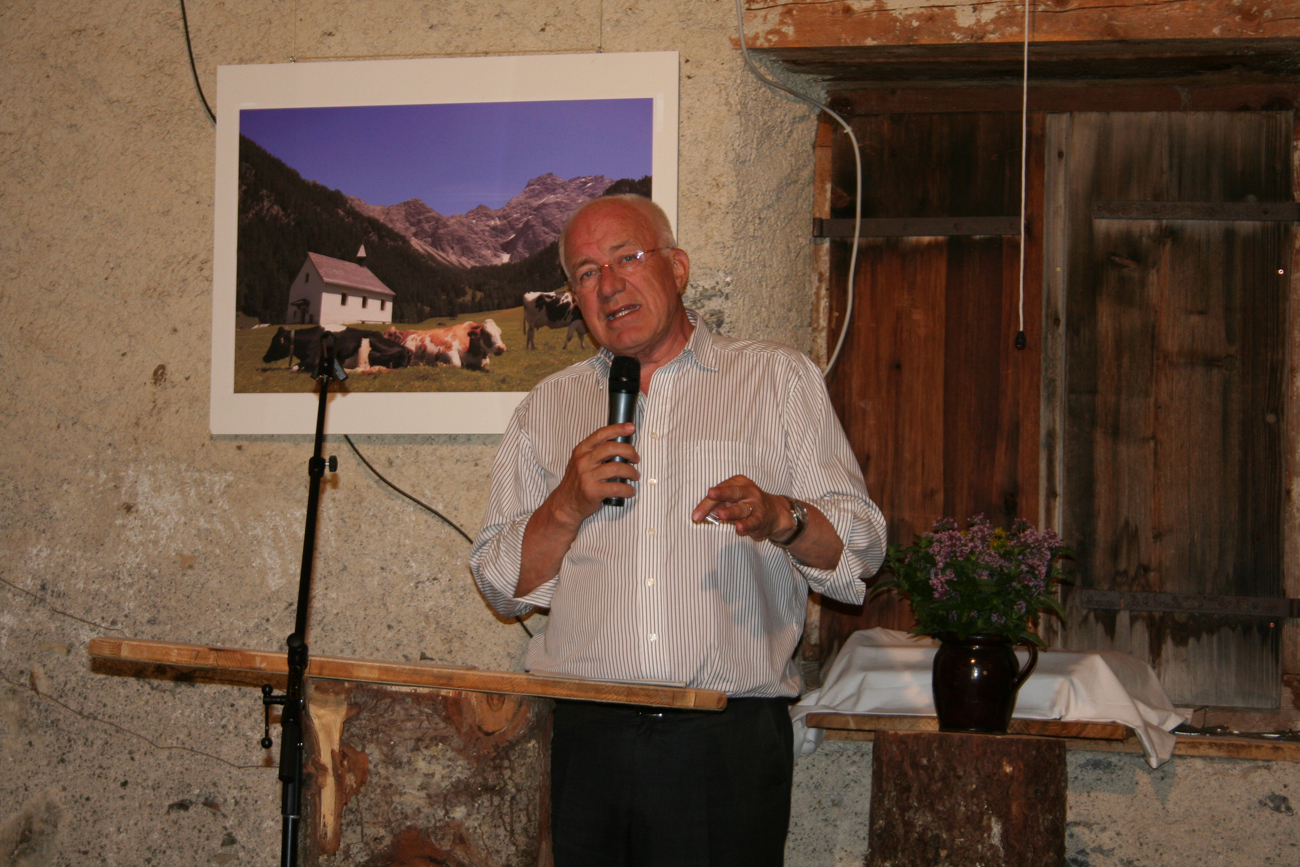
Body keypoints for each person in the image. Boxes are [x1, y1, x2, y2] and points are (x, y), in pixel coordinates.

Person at [469, 194, 886, 866]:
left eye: (627, 258)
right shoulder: (547, 406)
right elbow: (498, 585)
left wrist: (783, 517)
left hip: (726, 743)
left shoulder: (776, 379)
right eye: (585, 273)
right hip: (586, 743)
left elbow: (862, 548)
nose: (608, 285)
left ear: (679, 268)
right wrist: (564, 506)